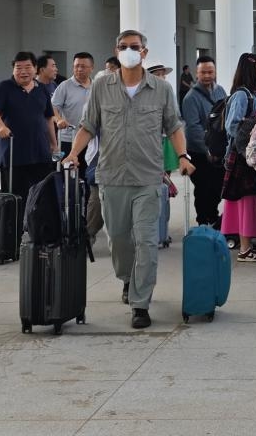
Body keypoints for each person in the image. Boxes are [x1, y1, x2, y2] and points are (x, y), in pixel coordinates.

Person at [68, 30, 192, 329]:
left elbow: (174, 126)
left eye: (134, 47)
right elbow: (88, 125)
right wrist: (73, 154)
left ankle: (141, 302)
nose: (128, 51)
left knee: (147, 241)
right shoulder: (101, 86)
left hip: (149, 176)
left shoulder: (161, 89)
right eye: (123, 47)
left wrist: (184, 157)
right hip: (111, 177)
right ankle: (127, 279)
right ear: (116, 49)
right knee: (120, 240)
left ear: (144, 52)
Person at [220, 53, 256, 263]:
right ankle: (244, 248)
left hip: (252, 156)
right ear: (251, 69)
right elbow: (231, 126)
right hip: (243, 158)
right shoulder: (242, 96)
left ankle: (247, 244)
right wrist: (255, 131)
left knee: (250, 201)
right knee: (245, 202)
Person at [0, 51, 59, 200]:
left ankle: (36, 224)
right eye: (18, 68)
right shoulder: (4, 87)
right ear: (13, 70)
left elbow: (48, 118)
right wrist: (0, 127)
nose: (23, 71)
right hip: (13, 155)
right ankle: (15, 224)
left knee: (41, 198)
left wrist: (53, 144)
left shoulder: (42, 89)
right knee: (16, 199)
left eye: (27, 67)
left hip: (40, 154)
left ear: (35, 68)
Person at [180, 55, 227, 226]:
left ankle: (213, 218)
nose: (207, 75)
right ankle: (203, 222)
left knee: (217, 187)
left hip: (218, 152)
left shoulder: (221, 91)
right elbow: (193, 128)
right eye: (203, 72)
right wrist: (209, 149)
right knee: (203, 190)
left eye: (210, 72)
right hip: (200, 153)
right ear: (196, 73)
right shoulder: (190, 98)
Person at [51, 53, 94, 167]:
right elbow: (53, 107)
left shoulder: (96, 86)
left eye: (83, 66)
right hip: (68, 139)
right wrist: (59, 119)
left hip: (91, 141)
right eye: (76, 66)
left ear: (92, 68)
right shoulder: (64, 86)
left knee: (88, 175)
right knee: (68, 176)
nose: (79, 69)